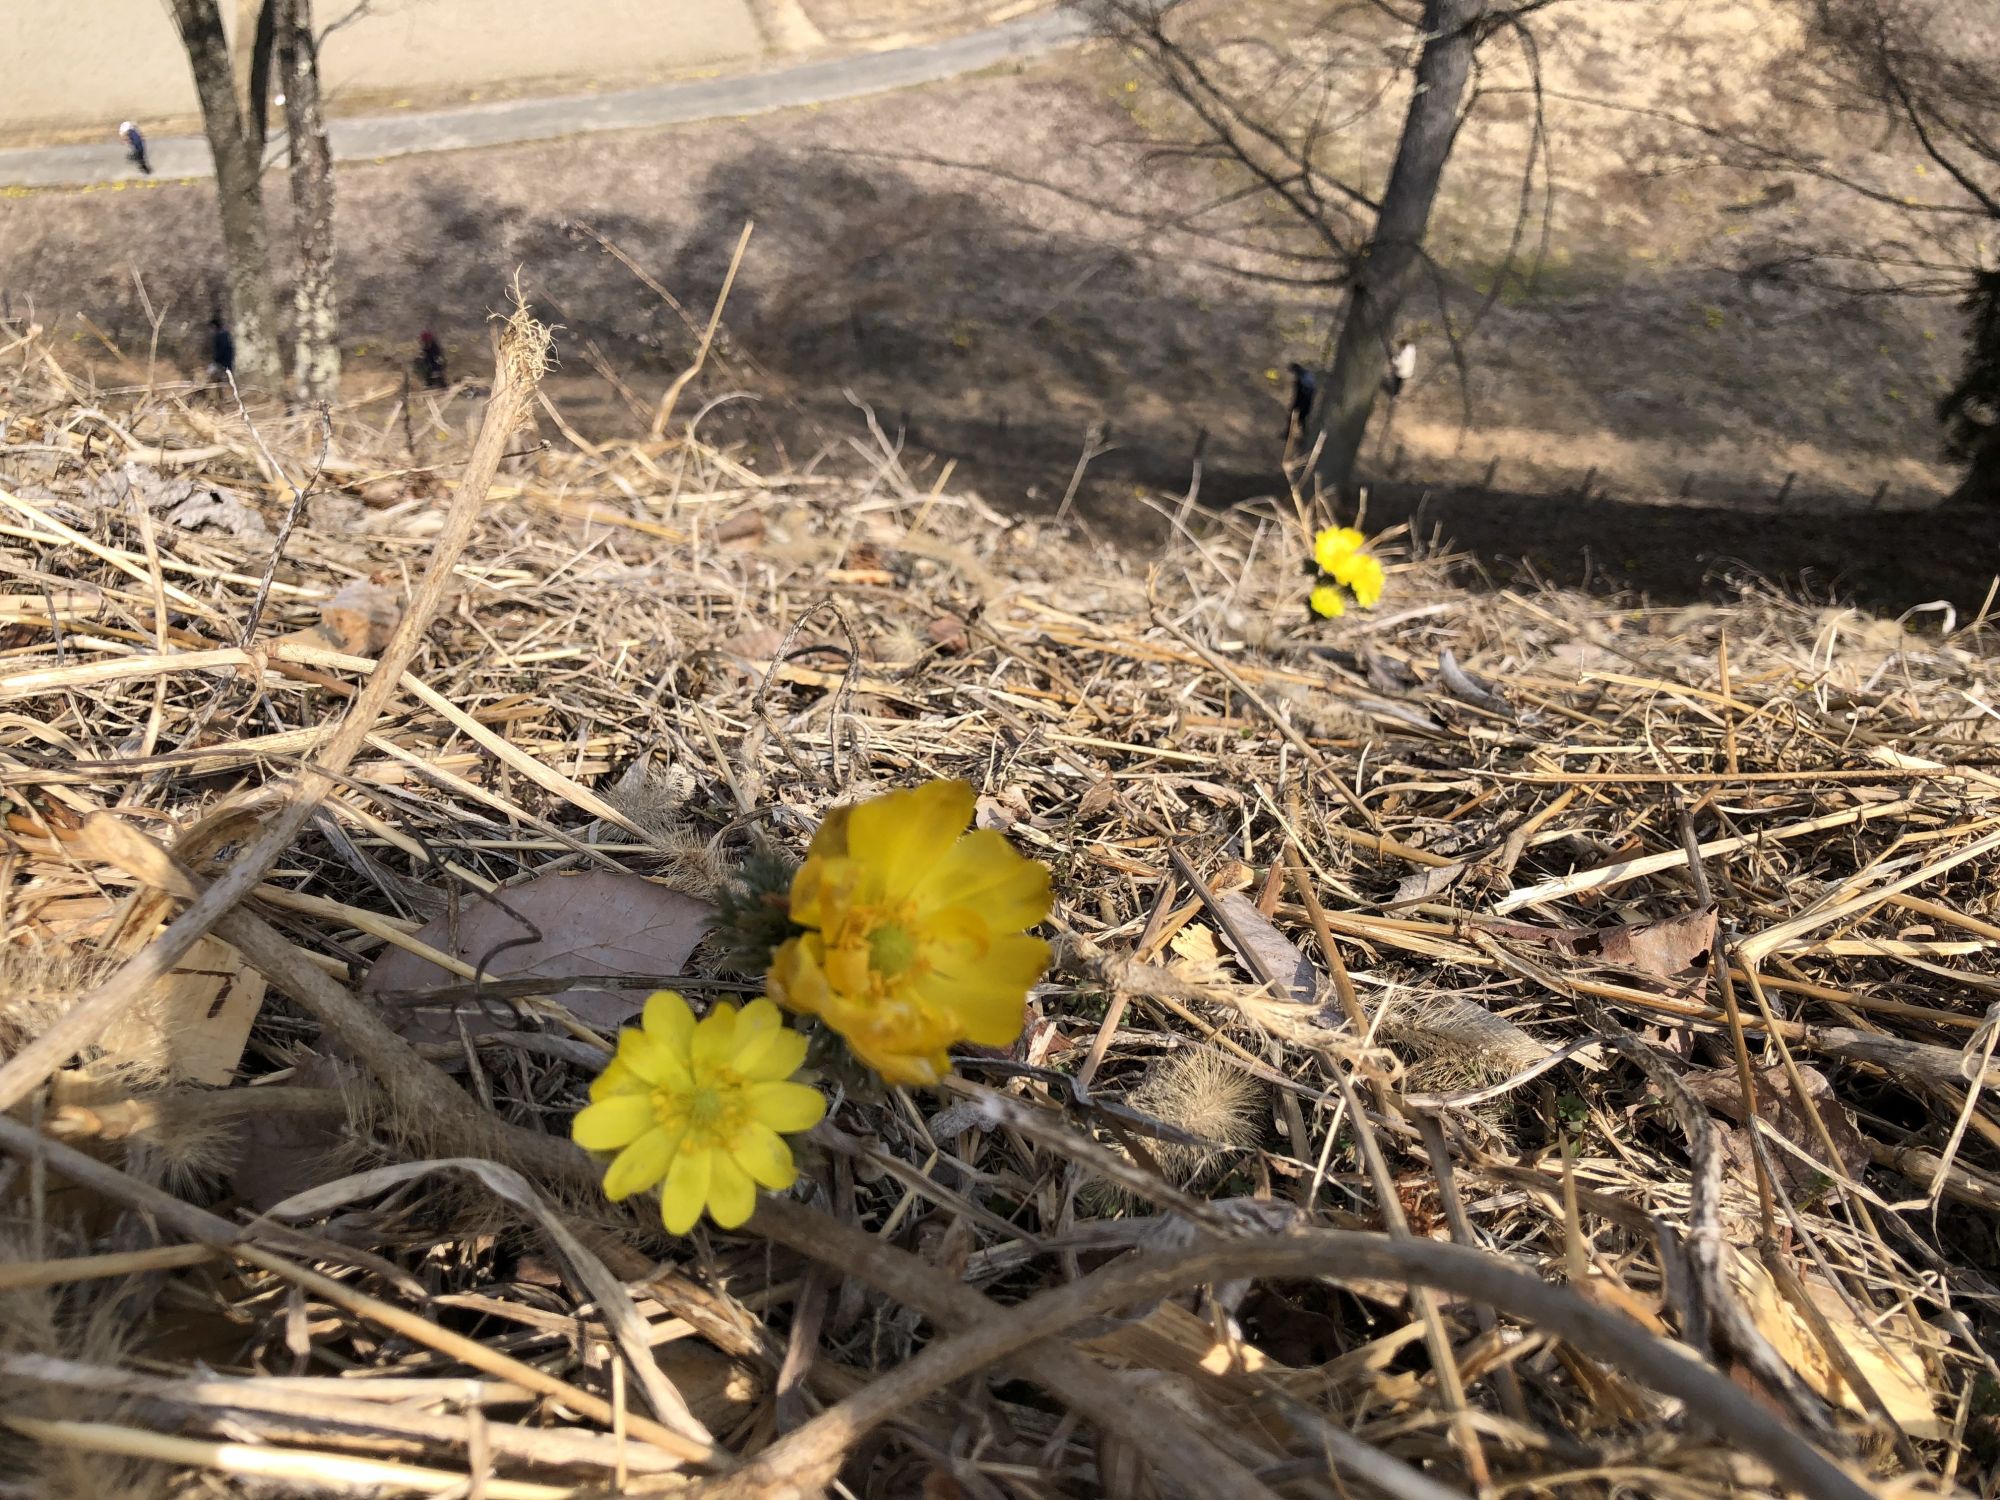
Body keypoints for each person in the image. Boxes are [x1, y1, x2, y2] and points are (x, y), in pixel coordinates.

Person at [1286, 361, 1316, 442]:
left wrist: (1294, 405)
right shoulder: (1307, 376)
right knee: (1301, 421)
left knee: (1297, 420)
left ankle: (1291, 435)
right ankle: (1303, 437)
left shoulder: (1301, 379)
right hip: (1306, 403)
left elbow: (1299, 395)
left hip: (1302, 403)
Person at [206, 315, 234, 384]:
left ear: (214, 326)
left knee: (211, 374)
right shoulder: (225, 333)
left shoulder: (220, 335)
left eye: (211, 328)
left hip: (223, 363)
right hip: (227, 362)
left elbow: (222, 349)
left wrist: (216, 360)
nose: (210, 331)